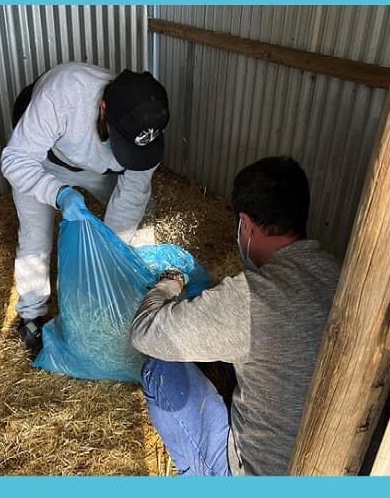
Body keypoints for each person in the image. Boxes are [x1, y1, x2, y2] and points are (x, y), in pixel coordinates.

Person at [131, 156, 340, 476]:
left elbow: (145, 332)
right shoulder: (338, 273)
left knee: (160, 371)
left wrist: (168, 284)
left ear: (246, 225)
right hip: (328, 461)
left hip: (259, 472)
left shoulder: (252, 297)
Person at [0, 63, 168, 359]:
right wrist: (59, 193)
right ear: (104, 109)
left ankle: (137, 297)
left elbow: (131, 196)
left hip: (95, 168)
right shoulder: (65, 94)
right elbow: (15, 160)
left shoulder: (148, 134)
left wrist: (106, 261)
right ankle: (31, 316)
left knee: (140, 220)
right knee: (35, 237)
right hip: (40, 160)